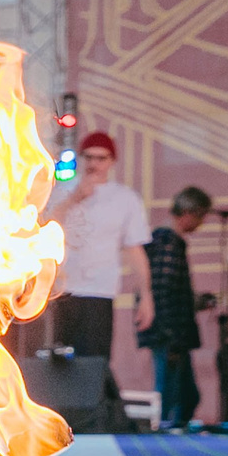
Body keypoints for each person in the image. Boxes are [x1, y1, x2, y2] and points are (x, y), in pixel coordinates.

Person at [40, 130, 151, 358]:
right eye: (89, 157)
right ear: (81, 158)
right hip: (61, 290)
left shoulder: (125, 198)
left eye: (101, 158)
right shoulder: (62, 191)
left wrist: (146, 295)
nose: (94, 164)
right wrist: (74, 199)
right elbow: (44, 230)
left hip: (99, 291)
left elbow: (134, 249)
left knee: (93, 361)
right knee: (58, 362)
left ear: (111, 161)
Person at [138, 185, 214, 428]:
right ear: (190, 213)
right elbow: (163, 291)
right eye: (201, 216)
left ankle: (169, 433)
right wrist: (170, 335)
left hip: (170, 333)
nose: (201, 223)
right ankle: (164, 437)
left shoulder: (163, 241)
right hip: (170, 335)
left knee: (184, 396)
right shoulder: (168, 243)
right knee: (171, 396)